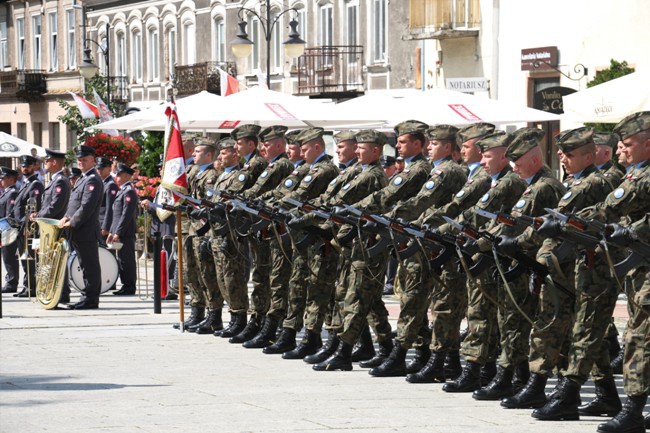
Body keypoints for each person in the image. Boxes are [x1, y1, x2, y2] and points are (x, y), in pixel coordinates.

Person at [232, 125, 294, 344]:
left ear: (278, 144)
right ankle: (260, 320)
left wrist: (242, 198)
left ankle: (272, 324)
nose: (263, 148)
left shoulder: (282, 165)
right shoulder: (272, 164)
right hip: (264, 227)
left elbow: (263, 190)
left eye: (267, 144)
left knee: (273, 278)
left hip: (276, 230)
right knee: (262, 275)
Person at [59, 145, 104, 309]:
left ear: (93, 160)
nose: (81, 162)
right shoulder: (84, 178)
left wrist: (73, 221)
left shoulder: (92, 179)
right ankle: (87, 296)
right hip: (78, 230)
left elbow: (87, 206)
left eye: (85, 159)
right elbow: (75, 204)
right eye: (79, 160)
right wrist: (66, 217)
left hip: (86, 230)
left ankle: (91, 299)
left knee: (89, 265)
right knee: (85, 265)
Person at [33, 149, 72, 303]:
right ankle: (56, 292)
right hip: (51, 226)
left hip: (55, 227)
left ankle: (62, 294)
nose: (45, 163)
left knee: (57, 261)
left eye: (47, 160)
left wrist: (40, 217)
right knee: (51, 261)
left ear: (54, 162)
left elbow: (55, 206)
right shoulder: (55, 179)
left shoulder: (60, 180)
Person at [12, 155, 44, 298]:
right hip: (20, 226)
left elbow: (34, 207)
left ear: (34, 167)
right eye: (23, 166)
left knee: (30, 259)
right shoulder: (25, 183)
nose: (25, 168)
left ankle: (31, 287)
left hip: (27, 228)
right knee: (25, 260)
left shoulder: (35, 184)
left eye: (28, 166)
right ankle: (27, 286)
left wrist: (28, 226)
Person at [107, 163, 139, 296]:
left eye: (119, 175)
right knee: (122, 260)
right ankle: (125, 284)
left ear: (126, 175)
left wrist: (118, 232)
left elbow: (126, 214)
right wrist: (112, 231)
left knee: (127, 260)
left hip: (125, 232)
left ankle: (129, 286)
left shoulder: (129, 191)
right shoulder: (123, 190)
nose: (117, 177)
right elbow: (117, 215)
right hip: (120, 231)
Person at [0, 167, 20, 293]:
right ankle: (10, 280)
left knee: (9, 256)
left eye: (3, 178)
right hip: (3, 229)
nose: (1, 180)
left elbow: (10, 214)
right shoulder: (6, 192)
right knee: (6, 256)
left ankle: (12, 283)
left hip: (7, 230)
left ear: (11, 179)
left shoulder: (12, 192)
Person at [96, 156, 119, 242]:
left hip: (103, 225)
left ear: (109, 169)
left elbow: (110, 208)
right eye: (98, 168)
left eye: (102, 168)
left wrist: (106, 227)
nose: (99, 171)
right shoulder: (101, 183)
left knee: (105, 253)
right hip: (97, 223)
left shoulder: (110, 185)